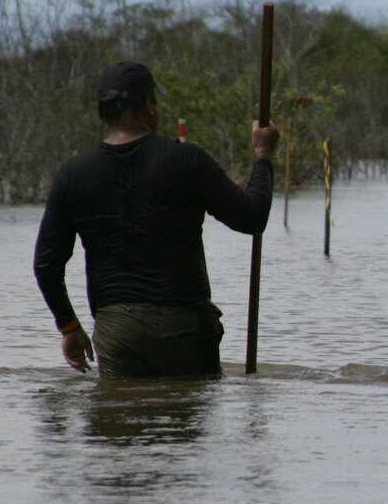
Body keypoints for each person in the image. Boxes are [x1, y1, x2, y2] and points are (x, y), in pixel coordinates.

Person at [34, 61, 277, 377]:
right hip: (185, 329)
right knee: (183, 419)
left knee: (122, 418)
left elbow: (46, 265)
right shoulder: (186, 160)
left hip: (118, 333)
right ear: (148, 106)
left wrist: (69, 327)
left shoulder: (72, 174)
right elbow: (252, 217)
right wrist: (263, 156)